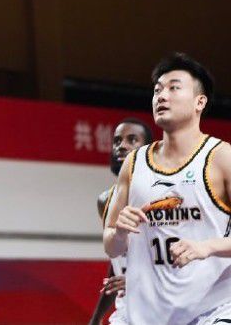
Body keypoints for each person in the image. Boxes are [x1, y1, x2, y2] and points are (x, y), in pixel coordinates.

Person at [103, 53, 231, 324]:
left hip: (213, 313)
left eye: (173, 87)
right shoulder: (134, 164)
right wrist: (120, 232)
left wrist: (207, 247)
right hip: (147, 315)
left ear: (199, 102)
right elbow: (111, 245)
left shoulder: (224, 159)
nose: (161, 96)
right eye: (157, 90)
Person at [89, 118, 153, 325]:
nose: (122, 145)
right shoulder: (106, 200)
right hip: (126, 313)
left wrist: (136, 281)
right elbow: (118, 260)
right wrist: (96, 318)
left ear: (149, 149)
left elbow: (176, 258)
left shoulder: (163, 195)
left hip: (161, 308)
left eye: (132, 139)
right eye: (117, 141)